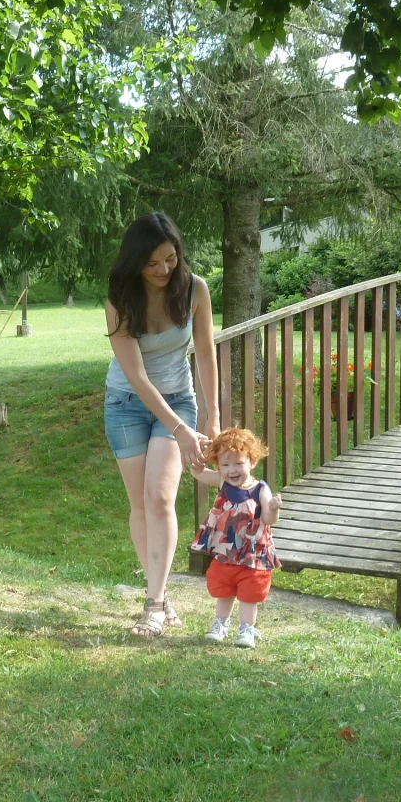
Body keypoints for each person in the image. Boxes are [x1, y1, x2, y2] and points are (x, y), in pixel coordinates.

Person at [105, 211, 219, 637]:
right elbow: (136, 375)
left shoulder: (194, 289)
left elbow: (206, 353)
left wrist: (212, 415)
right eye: (152, 263)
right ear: (135, 262)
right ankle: (161, 593)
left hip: (178, 398)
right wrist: (179, 429)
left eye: (169, 259)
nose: (162, 269)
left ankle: (152, 605)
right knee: (139, 505)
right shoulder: (120, 297)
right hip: (126, 403)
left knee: (159, 500)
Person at [191, 428, 282, 648]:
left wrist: (273, 508)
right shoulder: (222, 482)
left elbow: (269, 520)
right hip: (226, 553)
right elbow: (198, 472)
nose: (232, 470)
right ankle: (220, 625)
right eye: (225, 464)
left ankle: (246, 630)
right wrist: (201, 455)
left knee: (250, 594)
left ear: (252, 461)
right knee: (224, 590)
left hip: (252, 555)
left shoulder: (260, 488)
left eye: (238, 463)